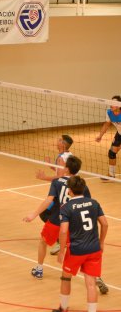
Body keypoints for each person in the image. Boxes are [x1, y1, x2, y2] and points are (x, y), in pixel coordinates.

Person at [24, 156, 91, 279]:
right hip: (74, 222)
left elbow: (48, 200)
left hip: (57, 220)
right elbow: (87, 204)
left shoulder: (57, 182)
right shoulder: (82, 185)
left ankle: (39, 269)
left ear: (66, 168)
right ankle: (94, 277)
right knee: (78, 249)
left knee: (43, 242)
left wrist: (33, 215)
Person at [52, 176, 108, 312]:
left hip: (76, 250)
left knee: (66, 278)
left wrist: (61, 251)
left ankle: (63, 308)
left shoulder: (66, 207)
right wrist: (101, 243)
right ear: (84, 189)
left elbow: (64, 231)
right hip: (94, 249)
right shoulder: (94, 203)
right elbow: (105, 224)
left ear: (69, 191)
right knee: (91, 283)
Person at [96, 95, 121, 179]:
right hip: (120, 133)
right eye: (111, 103)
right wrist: (100, 136)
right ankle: (111, 174)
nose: (111, 105)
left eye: (113, 103)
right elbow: (106, 125)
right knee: (111, 153)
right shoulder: (109, 112)